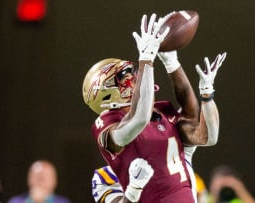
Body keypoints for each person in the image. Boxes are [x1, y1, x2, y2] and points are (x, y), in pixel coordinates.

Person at [82, 12, 226, 202]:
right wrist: (133, 190)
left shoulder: (162, 117)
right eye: (127, 76)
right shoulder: (108, 133)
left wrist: (175, 65)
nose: (136, 77)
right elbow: (138, 119)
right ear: (108, 92)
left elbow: (208, 136)